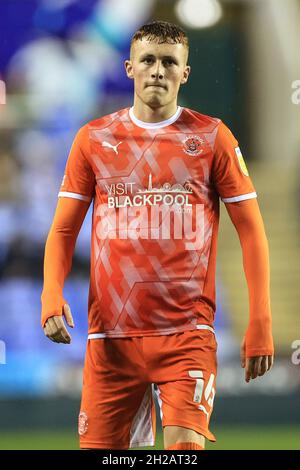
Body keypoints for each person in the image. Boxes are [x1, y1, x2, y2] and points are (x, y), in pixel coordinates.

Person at [41, 20, 274, 451]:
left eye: (169, 62)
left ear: (184, 73)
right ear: (130, 68)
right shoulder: (93, 139)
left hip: (186, 336)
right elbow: (63, 228)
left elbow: (252, 231)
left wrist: (260, 319)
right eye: (148, 60)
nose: (158, 71)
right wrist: (50, 294)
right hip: (110, 339)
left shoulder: (213, 138)